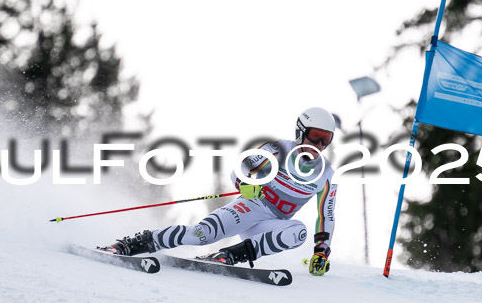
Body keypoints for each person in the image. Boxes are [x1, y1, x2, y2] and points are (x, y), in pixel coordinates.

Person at [101, 107, 339, 275]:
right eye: (315, 136)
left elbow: (327, 215)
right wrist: (245, 185)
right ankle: (133, 244)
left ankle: (231, 255)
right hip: (250, 208)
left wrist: (321, 252)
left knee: (298, 232)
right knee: (201, 234)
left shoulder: (326, 174)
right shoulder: (277, 149)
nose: (319, 145)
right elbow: (240, 169)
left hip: (269, 226)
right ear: (301, 132)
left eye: (325, 139)